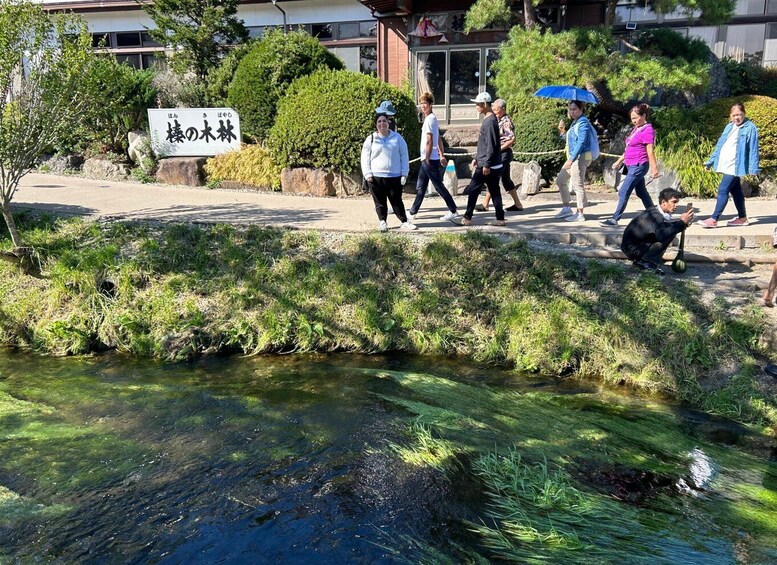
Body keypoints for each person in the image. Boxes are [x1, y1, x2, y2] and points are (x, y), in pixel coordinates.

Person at [697, 102, 760, 229]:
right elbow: (720, 145)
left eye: (740, 114)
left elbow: (754, 149)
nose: (737, 117)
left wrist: (754, 167)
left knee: (723, 189)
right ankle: (742, 218)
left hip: (735, 165)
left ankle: (714, 219)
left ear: (744, 114)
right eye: (734, 115)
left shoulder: (750, 128)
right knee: (735, 190)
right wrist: (711, 161)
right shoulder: (729, 127)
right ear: (730, 116)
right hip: (726, 163)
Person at [601, 103, 659, 226]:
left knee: (623, 191)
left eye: (636, 118)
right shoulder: (636, 129)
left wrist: (654, 168)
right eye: (632, 118)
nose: (633, 121)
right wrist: (619, 161)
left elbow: (650, 151)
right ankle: (655, 216)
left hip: (639, 164)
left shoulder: (648, 130)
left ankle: (615, 219)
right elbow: (629, 148)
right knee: (641, 192)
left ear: (643, 116)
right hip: (630, 164)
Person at [407, 92, 460, 224]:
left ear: (431, 105)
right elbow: (439, 140)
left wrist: (427, 157)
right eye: (421, 103)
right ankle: (413, 212)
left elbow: (430, 140)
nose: (423, 106)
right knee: (421, 186)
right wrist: (441, 155)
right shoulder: (432, 119)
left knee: (438, 186)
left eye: (425, 103)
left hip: (428, 159)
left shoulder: (430, 119)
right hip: (429, 158)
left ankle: (453, 210)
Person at [454, 92, 505, 227]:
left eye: (477, 104)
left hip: (487, 165)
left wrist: (486, 164)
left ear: (484, 104)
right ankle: (500, 218)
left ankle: (467, 218)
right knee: (494, 191)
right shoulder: (490, 120)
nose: (476, 106)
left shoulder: (489, 122)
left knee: (473, 189)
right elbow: (485, 144)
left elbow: (491, 145)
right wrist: (477, 157)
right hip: (488, 162)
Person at [361, 113, 415, 232]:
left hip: (394, 176)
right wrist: (367, 174)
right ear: (376, 125)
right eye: (379, 121)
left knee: (396, 201)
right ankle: (382, 222)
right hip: (376, 177)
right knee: (380, 202)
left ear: (388, 122)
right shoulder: (371, 139)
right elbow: (365, 157)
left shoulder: (397, 138)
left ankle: (404, 221)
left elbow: (404, 156)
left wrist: (404, 173)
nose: (382, 124)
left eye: (384, 121)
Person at [620, 188, 694, 275]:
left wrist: (683, 224)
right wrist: (681, 222)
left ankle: (645, 260)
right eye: (674, 202)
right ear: (663, 202)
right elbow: (662, 236)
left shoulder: (654, 212)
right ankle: (646, 263)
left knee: (671, 229)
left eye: (677, 202)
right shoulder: (656, 216)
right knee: (668, 234)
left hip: (631, 247)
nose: (676, 205)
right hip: (632, 250)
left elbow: (665, 226)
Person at [476, 98, 523, 213]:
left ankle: (485, 203)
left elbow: (511, 139)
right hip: (499, 153)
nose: (494, 111)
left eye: (497, 109)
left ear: (503, 109)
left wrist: (499, 149)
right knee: (506, 180)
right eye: (494, 109)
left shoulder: (506, 121)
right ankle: (518, 204)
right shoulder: (496, 119)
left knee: (493, 177)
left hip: (503, 153)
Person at [554, 100, 598, 223]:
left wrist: (571, 159)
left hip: (580, 157)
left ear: (581, 110)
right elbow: (572, 140)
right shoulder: (575, 122)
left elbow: (581, 142)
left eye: (575, 109)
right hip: (573, 157)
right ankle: (566, 207)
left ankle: (580, 213)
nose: (572, 112)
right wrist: (563, 131)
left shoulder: (583, 122)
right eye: (570, 109)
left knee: (578, 185)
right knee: (561, 180)